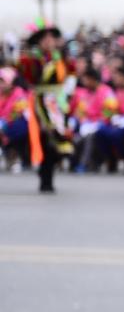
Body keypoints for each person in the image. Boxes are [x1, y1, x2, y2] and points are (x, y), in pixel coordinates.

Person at [17, 18, 75, 192]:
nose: (50, 41)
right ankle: (45, 176)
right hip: (41, 101)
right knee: (45, 137)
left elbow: (70, 73)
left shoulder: (60, 57)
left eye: (52, 37)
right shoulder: (32, 59)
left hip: (58, 101)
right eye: (45, 38)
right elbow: (28, 77)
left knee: (60, 140)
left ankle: (48, 170)